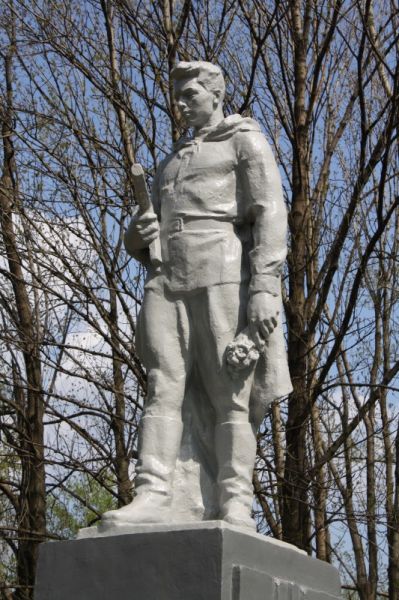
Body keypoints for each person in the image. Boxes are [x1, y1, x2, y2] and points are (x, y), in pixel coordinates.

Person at [101, 61, 292, 531]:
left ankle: (235, 502)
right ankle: (153, 491)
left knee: (230, 391)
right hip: (167, 277)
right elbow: (146, 232)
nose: (181, 102)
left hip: (221, 268)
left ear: (216, 93)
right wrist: (136, 235)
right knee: (161, 383)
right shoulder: (172, 159)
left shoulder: (244, 140)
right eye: (178, 94)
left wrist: (265, 286)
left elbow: (270, 213)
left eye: (191, 93)